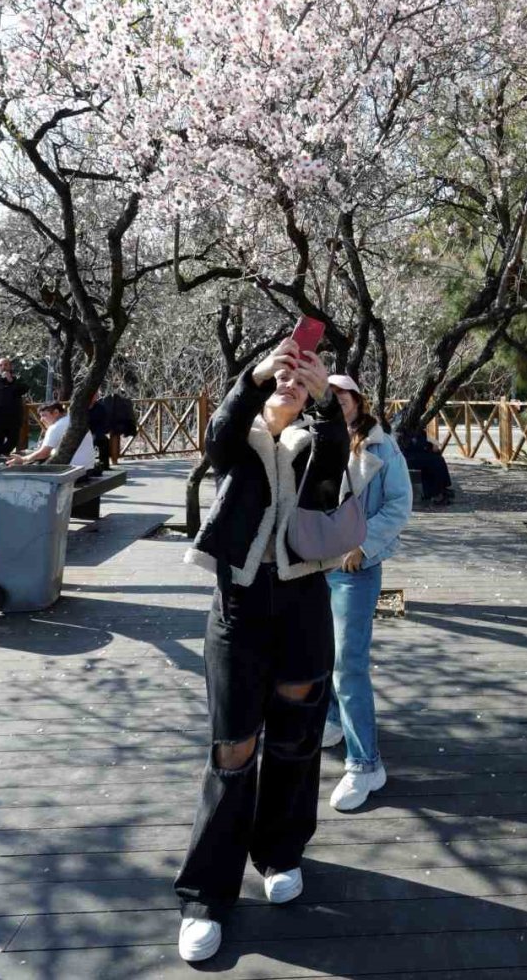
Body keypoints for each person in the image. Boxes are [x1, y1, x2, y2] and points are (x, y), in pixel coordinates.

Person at [174, 338, 348, 965]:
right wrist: (256, 373)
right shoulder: (237, 443)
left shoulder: (312, 445)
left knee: (297, 738)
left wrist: (325, 395)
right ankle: (206, 894)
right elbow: (219, 428)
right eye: (282, 380)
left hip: (303, 607)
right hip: (239, 611)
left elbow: (337, 454)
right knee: (232, 748)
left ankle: (280, 851)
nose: (289, 385)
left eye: (298, 384)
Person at [323, 374, 412, 810]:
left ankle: (365, 763)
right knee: (315, 651)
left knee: (348, 664)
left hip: (353, 568)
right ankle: (331, 720)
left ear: (359, 400)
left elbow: (399, 504)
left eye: (344, 395)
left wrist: (364, 543)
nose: (337, 401)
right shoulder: (312, 437)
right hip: (310, 563)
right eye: (329, 395)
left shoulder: (382, 446)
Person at [5, 401, 95, 474]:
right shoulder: (72, 420)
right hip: (89, 468)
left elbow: (43, 453)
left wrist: (22, 460)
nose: (41, 419)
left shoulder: (56, 427)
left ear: (56, 412)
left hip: (73, 472)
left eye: (44, 415)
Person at [397, 424, 454, 506]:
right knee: (435, 461)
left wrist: (434, 443)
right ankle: (437, 493)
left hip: (416, 454)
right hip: (408, 457)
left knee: (438, 458)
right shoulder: (404, 429)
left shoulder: (418, 429)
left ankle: (439, 489)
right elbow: (412, 445)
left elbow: (430, 440)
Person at [0, 357, 25, 458]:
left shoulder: (17, 380)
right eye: (0, 365)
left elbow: (24, 389)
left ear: (10, 367)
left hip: (14, 418)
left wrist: (11, 381)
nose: (3, 367)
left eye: (6, 365)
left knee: (13, 441)